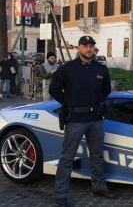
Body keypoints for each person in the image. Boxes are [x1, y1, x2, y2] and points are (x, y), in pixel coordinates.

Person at [49, 36, 115, 207]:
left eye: (91, 45)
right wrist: (68, 103)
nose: (88, 48)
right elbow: (54, 89)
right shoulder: (67, 69)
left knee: (97, 156)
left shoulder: (101, 69)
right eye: (85, 45)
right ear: (78, 48)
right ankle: (61, 194)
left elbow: (106, 90)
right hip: (75, 120)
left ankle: (99, 187)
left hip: (96, 120)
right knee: (67, 159)